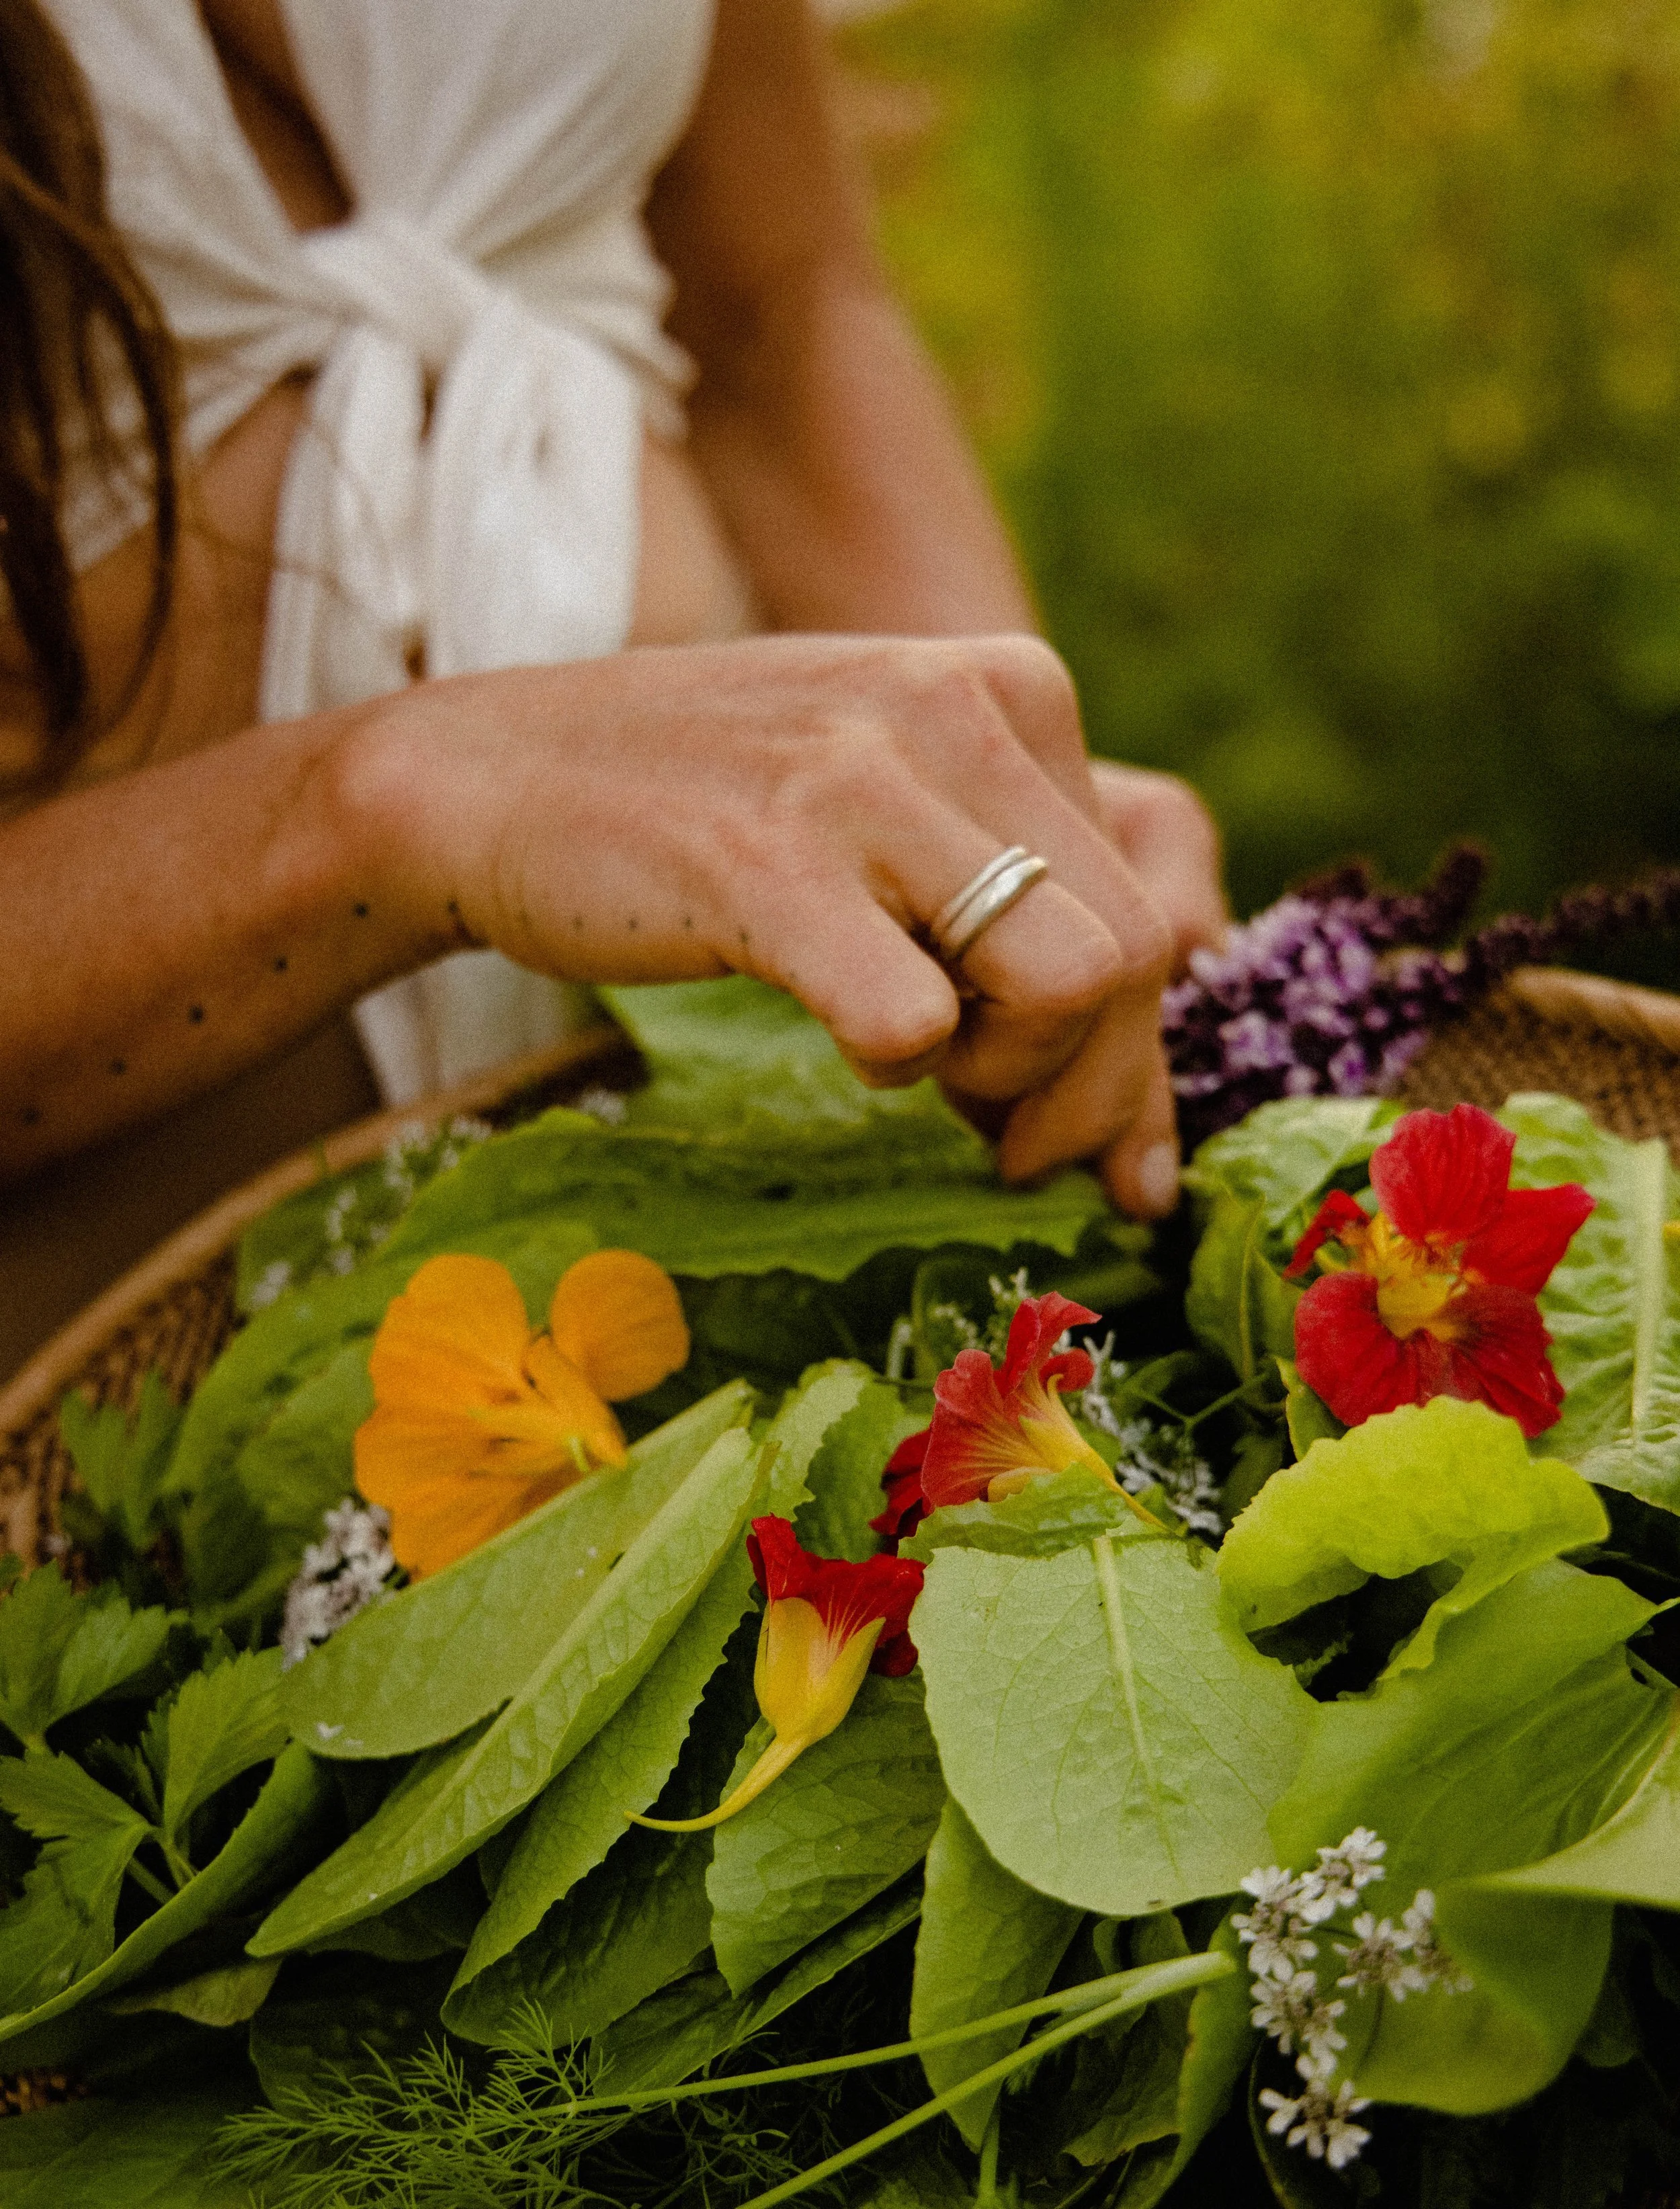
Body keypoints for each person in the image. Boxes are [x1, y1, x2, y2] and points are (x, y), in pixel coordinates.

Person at [0, 0, 1225, 1377]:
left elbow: (778, 307)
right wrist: (399, 800)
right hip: (124, 1222)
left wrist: (1000, 807)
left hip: (766, 1044)